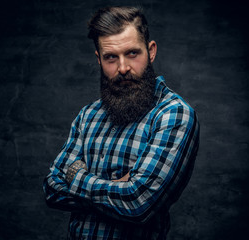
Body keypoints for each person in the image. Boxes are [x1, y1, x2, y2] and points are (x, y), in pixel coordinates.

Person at [43, 6, 200, 240]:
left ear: (151, 51)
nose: (123, 67)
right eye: (111, 58)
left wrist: (76, 177)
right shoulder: (88, 116)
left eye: (133, 53)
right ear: (99, 59)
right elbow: (52, 188)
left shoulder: (174, 115)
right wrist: (118, 187)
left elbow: (139, 204)